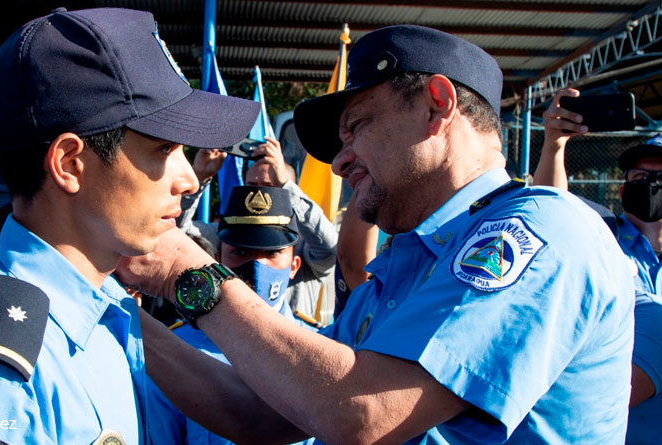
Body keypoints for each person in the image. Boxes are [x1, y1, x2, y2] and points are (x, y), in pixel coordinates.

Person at [117, 25, 634, 444]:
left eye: (357, 126)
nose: (339, 162)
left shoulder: (540, 230)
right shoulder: (403, 265)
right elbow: (264, 413)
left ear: (437, 104)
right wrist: (118, 318)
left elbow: (362, 414)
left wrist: (186, 271)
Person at [0, 7, 259, 444]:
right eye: (164, 149)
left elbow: (258, 415)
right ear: (70, 164)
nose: (189, 179)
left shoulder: (97, 309)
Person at [536, 88, 662, 444]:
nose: (651, 186)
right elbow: (553, 209)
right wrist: (554, 146)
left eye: (661, 180)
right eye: (640, 178)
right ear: (622, 192)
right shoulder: (600, 233)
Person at [146, 185, 316, 444]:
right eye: (240, 252)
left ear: (294, 266)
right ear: (217, 260)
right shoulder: (179, 348)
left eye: (271, 253)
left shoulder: (319, 346)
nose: (257, 265)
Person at [179, 137, 337, 320]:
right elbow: (177, 234)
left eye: (271, 187)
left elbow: (330, 246)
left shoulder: (298, 244)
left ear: (294, 265)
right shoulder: (226, 238)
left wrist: (285, 185)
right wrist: (199, 177)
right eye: (241, 252)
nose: (259, 195)